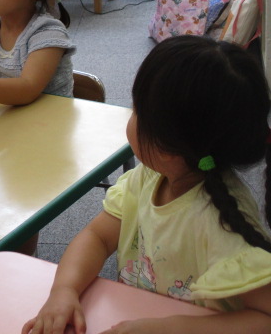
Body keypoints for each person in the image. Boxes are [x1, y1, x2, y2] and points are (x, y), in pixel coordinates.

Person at [22, 36, 271, 334]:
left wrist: (169, 328)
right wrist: (64, 290)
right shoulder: (149, 177)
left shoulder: (221, 225)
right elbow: (97, 237)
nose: (130, 116)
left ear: (167, 148)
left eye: (136, 110)